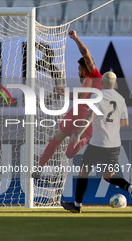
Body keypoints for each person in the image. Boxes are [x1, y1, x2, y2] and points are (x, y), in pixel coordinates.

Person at [33, 30, 103, 179]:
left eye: (79, 69)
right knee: (68, 153)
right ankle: (79, 137)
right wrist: (67, 94)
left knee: (57, 140)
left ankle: (40, 167)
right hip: (79, 113)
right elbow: (81, 97)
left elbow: (86, 54)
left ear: (87, 68)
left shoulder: (95, 75)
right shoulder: (88, 82)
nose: (78, 72)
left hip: (81, 114)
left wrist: (76, 38)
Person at [62, 71, 132, 213]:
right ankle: (130, 188)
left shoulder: (97, 96)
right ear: (116, 84)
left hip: (97, 144)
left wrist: (79, 134)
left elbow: (89, 116)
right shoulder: (120, 98)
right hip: (113, 145)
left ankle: (77, 205)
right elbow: (125, 122)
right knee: (108, 176)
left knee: (83, 172)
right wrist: (110, 125)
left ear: (101, 83)